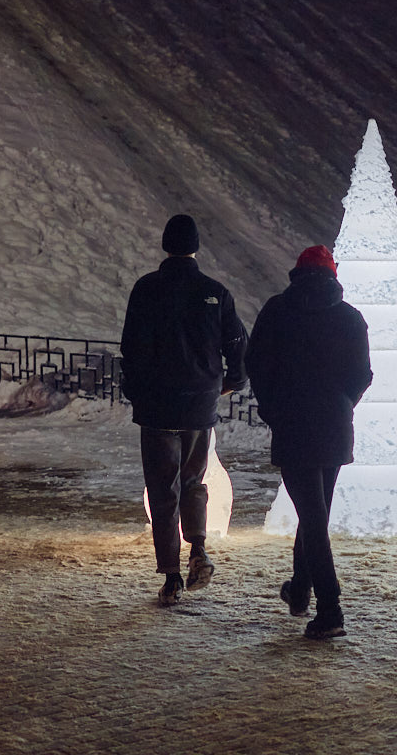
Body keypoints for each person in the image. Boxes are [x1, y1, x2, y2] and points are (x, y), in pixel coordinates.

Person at [120, 214, 248, 607]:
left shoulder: (146, 289)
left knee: (162, 490)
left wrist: (135, 390)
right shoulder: (214, 291)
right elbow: (237, 342)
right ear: (195, 246)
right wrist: (232, 380)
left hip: (157, 406)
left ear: (165, 245)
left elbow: (131, 348)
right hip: (198, 403)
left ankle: (171, 577)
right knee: (194, 481)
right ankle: (199, 549)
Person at [245, 245, 372, 639]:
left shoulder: (277, 311)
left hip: (293, 423)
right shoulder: (350, 318)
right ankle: (300, 589)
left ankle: (330, 609)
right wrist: (342, 404)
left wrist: (272, 406)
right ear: (332, 276)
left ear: (298, 274)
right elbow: (362, 374)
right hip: (333, 426)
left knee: (313, 517)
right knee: (315, 514)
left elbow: (256, 363)